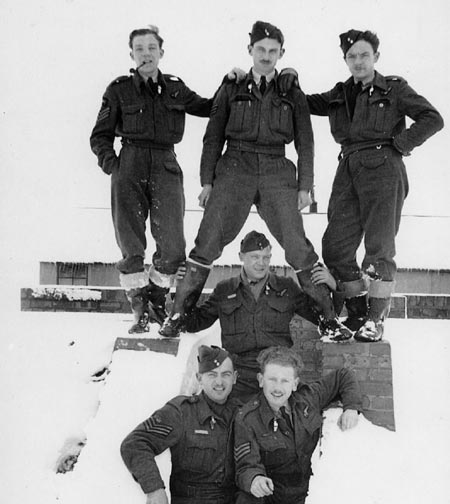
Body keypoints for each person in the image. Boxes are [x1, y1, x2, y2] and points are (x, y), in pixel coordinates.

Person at [159, 21, 352, 343]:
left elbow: (305, 140)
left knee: (296, 245)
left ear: (281, 54)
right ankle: (177, 315)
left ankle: (328, 319)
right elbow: (213, 136)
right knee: (207, 241)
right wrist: (207, 181)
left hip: (277, 167)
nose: (266, 56)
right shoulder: (232, 87)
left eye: (272, 51)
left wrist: (306, 185)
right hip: (235, 165)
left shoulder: (291, 90)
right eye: (260, 50)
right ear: (250, 51)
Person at [90, 26, 247, 333]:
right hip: (130, 165)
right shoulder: (118, 89)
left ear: (161, 52)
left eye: (151, 48)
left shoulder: (175, 88)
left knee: (173, 245)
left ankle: (156, 299)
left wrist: (227, 83)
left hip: (165, 164)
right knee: (131, 243)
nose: (146, 54)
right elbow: (100, 135)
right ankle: (141, 311)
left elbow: (208, 107)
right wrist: (115, 168)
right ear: (132, 54)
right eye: (139, 49)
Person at [306, 29, 444, 342]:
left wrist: (400, 144)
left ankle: (374, 319)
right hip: (348, 169)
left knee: (379, 249)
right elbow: (307, 102)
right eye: (351, 56)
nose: (358, 61)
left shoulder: (393, 88)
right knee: (336, 246)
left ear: (376, 57)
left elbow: (432, 118)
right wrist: (284, 77)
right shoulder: (341, 93)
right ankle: (357, 310)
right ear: (345, 60)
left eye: (364, 55)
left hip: (384, 168)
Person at [233, 346, 361, 504]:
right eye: (272, 379)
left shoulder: (307, 399)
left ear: (295, 384)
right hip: (268, 494)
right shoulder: (247, 417)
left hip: (299, 497)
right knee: (244, 501)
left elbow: (344, 375)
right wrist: (255, 478)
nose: (277, 387)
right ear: (261, 380)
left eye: (284, 380)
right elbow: (245, 463)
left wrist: (351, 407)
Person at [120, 345, 246, 504]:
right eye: (211, 375)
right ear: (199, 378)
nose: (219, 382)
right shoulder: (180, 412)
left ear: (235, 377)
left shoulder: (242, 414)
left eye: (225, 375)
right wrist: (154, 488)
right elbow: (135, 443)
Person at [183, 230, 338, 401]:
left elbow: (322, 318)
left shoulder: (286, 287)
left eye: (266, 257)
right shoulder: (225, 290)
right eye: (255, 257)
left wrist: (333, 285)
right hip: (240, 377)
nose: (261, 263)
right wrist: (182, 286)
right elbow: (194, 323)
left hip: (277, 371)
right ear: (241, 256)